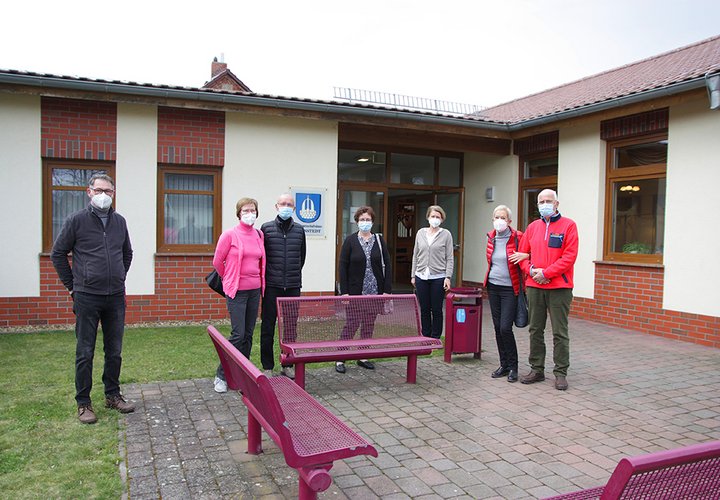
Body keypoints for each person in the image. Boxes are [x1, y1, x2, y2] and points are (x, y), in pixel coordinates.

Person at [51, 173, 135, 424]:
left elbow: (127, 253)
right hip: (87, 296)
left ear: (113, 194)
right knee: (85, 351)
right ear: (89, 192)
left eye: (108, 191)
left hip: (115, 297)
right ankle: (83, 403)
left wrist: (118, 276)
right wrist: (73, 287)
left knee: (114, 351)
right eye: (99, 190)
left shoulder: (119, 222)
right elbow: (58, 254)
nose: (103, 195)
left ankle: (112, 395)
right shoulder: (76, 220)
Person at [518, 189, 579, 391]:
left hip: (559, 287)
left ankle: (560, 373)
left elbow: (569, 257)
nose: (545, 204)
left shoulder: (569, 226)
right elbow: (522, 255)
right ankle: (537, 369)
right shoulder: (532, 227)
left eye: (548, 201)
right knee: (535, 329)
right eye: (541, 201)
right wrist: (531, 271)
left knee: (560, 332)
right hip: (534, 286)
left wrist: (547, 273)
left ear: (556, 204)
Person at [212, 197, 266, 393]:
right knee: (238, 334)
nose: (249, 214)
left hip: (254, 290)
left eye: (253, 210)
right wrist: (229, 278)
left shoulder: (259, 235)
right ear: (238, 213)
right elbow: (217, 262)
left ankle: (244, 374)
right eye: (245, 211)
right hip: (237, 291)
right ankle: (221, 375)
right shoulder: (229, 235)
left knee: (249, 334)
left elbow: (260, 260)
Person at [336, 206, 392, 374]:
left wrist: (386, 290)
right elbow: (342, 266)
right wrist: (344, 292)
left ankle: (363, 356)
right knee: (351, 324)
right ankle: (340, 358)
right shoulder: (350, 241)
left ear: (372, 222)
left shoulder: (379, 241)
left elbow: (387, 265)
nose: (365, 222)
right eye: (362, 220)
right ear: (357, 222)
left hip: (375, 291)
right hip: (355, 292)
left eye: (368, 220)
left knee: (368, 324)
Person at [260, 193, 306, 379]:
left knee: (290, 327)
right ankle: (267, 366)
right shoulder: (266, 228)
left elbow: (301, 257)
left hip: (293, 285)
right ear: (276, 206)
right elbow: (263, 257)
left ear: (294, 208)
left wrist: (291, 275)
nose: (286, 206)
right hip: (272, 286)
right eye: (283, 203)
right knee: (268, 327)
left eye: (289, 204)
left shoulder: (300, 230)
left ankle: (287, 364)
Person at [484, 205, 529, 383]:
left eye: (503, 218)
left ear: (509, 221)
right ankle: (503, 365)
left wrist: (526, 257)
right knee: (497, 327)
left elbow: (529, 254)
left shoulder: (518, 237)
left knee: (505, 328)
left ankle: (513, 367)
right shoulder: (491, 237)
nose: (499, 221)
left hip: (510, 288)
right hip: (493, 287)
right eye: (496, 217)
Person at [411, 205, 454, 339]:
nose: (435, 219)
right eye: (433, 216)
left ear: (442, 219)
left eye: (438, 217)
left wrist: (448, 277)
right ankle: (425, 336)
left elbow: (449, 257)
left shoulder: (446, 234)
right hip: (421, 276)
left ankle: (435, 337)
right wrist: (413, 275)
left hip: (438, 277)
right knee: (424, 309)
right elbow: (415, 255)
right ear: (428, 217)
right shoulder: (420, 233)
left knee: (436, 309)